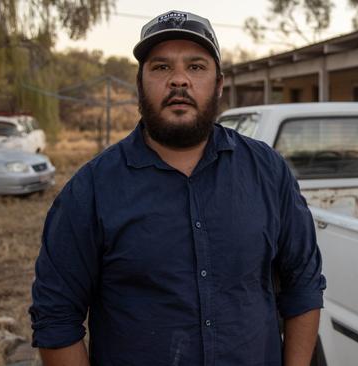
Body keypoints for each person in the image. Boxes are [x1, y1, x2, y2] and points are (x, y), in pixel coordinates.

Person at [29, 10, 326, 366]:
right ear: (140, 85)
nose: (179, 80)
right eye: (161, 67)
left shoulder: (267, 171)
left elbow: (304, 284)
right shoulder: (90, 190)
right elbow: (56, 317)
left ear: (218, 85)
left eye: (196, 67)